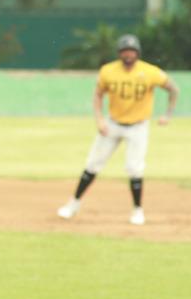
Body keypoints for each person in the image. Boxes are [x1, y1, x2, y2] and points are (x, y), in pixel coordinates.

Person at [56, 34, 178, 226]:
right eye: (124, 51)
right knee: (93, 164)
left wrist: (168, 115)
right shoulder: (108, 71)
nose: (128, 55)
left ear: (137, 53)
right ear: (119, 53)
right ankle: (73, 203)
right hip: (113, 124)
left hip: (138, 126)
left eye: (131, 51)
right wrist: (100, 119)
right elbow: (98, 95)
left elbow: (173, 89)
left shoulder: (150, 72)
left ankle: (137, 210)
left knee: (134, 168)